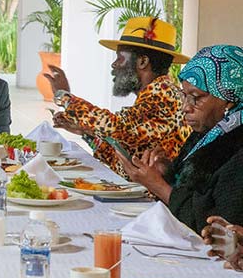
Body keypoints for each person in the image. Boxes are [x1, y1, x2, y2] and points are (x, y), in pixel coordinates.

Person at [116, 44, 243, 233]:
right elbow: (192, 184)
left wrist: (158, 186)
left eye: (196, 97)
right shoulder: (208, 133)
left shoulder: (237, 147)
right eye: (185, 96)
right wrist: (168, 171)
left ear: (229, 99)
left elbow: (215, 225)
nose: (186, 107)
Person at [46, 17, 190, 178]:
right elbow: (124, 160)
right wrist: (85, 132)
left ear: (142, 61)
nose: (114, 64)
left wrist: (64, 97)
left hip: (155, 201)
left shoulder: (164, 95)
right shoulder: (155, 94)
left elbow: (118, 127)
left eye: (120, 57)